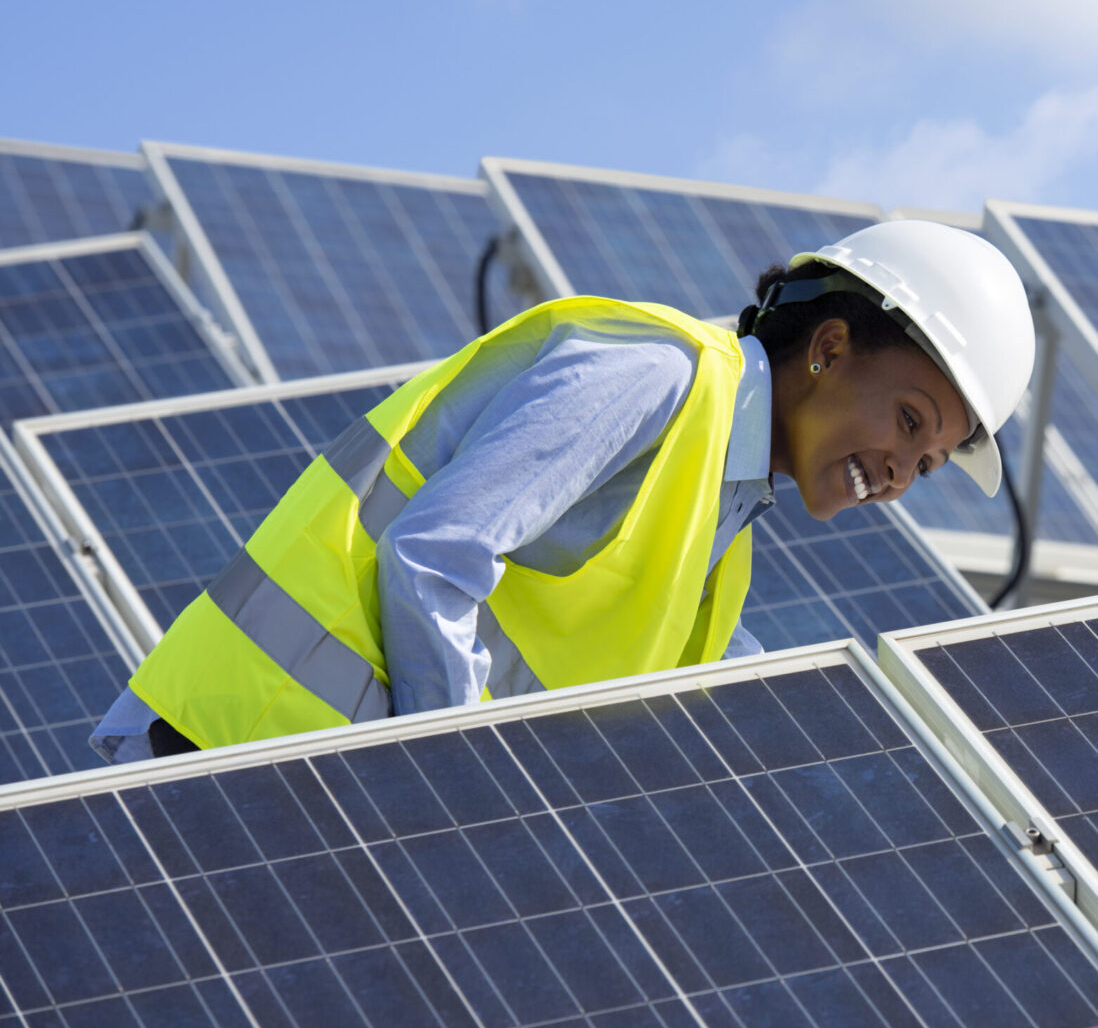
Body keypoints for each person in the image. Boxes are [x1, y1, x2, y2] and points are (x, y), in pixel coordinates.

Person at [90, 219, 1035, 763]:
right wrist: (463, 796)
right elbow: (433, 555)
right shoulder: (657, 375)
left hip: (310, 790)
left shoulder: (724, 542)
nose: (903, 475)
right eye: (910, 422)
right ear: (829, 349)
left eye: (932, 462)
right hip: (226, 748)